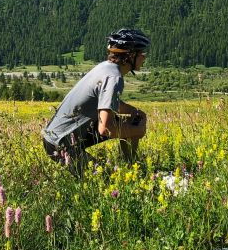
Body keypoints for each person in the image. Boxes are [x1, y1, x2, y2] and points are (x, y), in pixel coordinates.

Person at [42, 28, 149, 175]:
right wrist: (138, 131)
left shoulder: (105, 67)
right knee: (104, 181)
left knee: (133, 121)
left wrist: (134, 112)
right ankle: (128, 174)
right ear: (130, 55)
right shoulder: (114, 78)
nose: (144, 56)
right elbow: (105, 129)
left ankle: (131, 168)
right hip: (60, 143)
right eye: (141, 52)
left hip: (55, 137)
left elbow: (108, 102)